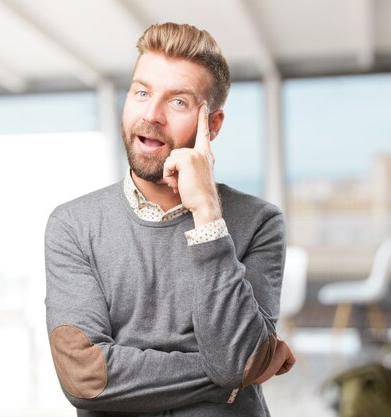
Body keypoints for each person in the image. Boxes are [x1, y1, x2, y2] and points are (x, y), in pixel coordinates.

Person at [45, 22, 295, 417]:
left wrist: (208, 216)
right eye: (142, 92)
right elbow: (85, 377)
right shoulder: (73, 225)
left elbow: (238, 361)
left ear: (211, 125)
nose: (151, 114)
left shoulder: (260, 222)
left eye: (178, 102)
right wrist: (229, 378)